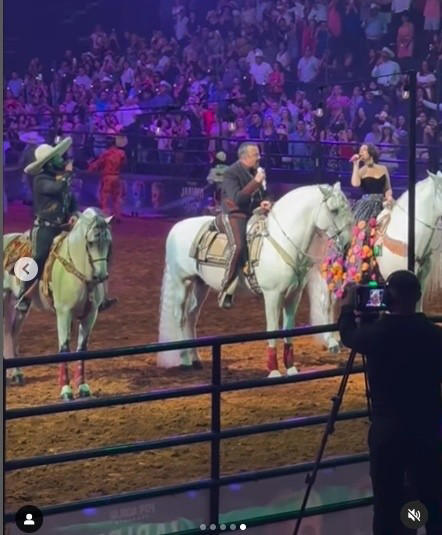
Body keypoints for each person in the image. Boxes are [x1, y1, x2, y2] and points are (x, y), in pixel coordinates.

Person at [338, 271, 442, 534]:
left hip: (388, 433)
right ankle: (419, 523)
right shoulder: (434, 335)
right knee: (430, 496)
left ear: (387, 297)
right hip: (427, 430)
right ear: (418, 296)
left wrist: (349, 308)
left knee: (387, 503)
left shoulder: (377, 335)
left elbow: (348, 335)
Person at [16, 137, 78, 312]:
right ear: (49, 163)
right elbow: (57, 190)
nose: (61, 159)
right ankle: (23, 293)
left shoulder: (58, 178)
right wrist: (67, 174)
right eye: (56, 157)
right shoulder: (41, 179)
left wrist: (73, 214)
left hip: (64, 226)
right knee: (39, 256)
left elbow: (71, 200)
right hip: (45, 227)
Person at [218, 143, 271, 309]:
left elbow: (265, 192)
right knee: (238, 246)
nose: (259, 157)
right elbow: (237, 199)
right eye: (255, 155)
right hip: (235, 214)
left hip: (254, 212)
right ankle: (226, 288)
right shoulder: (231, 173)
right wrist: (255, 182)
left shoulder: (257, 172)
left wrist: (266, 201)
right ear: (244, 157)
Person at [88, 135, 127, 221]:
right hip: (117, 177)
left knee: (104, 197)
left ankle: (104, 216)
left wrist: (90, 167)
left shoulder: (106, 153)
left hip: (107, 177)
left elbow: (98, 163)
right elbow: (124, 164)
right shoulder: (122, 153)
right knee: (117, 198)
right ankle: (117, 216)